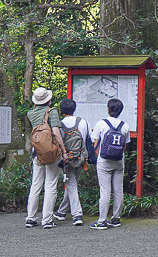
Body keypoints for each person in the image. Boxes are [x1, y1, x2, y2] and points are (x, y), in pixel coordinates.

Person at [25, 87, 66, 229]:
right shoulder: (52, 112)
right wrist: (64, 151)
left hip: (37, 152)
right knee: (50, 185)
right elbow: (55, 132)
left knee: (35, 184)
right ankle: (47, 219)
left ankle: (30, 218)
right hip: (52, 153)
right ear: (48, 99)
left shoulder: (31, 113)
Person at [89, 98, 130, 229]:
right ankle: (116, 219)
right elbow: (124, 146)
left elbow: (96, 144)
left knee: (105, 191)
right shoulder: (125, 125)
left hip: (104, 161)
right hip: (119, 161)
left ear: (108, 109)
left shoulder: (101, 124)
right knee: (118, 190)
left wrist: (100, 156)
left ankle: (102, 221)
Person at [52, 98, 90, 226]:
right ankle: (62, 212)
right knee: (72, 184)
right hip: (81, 158)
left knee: (71, 185)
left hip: (67, 159)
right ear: (74, 109)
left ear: (62, 111)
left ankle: (77, 215)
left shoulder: (60, 124)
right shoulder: (83, 122)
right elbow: (86, 140)